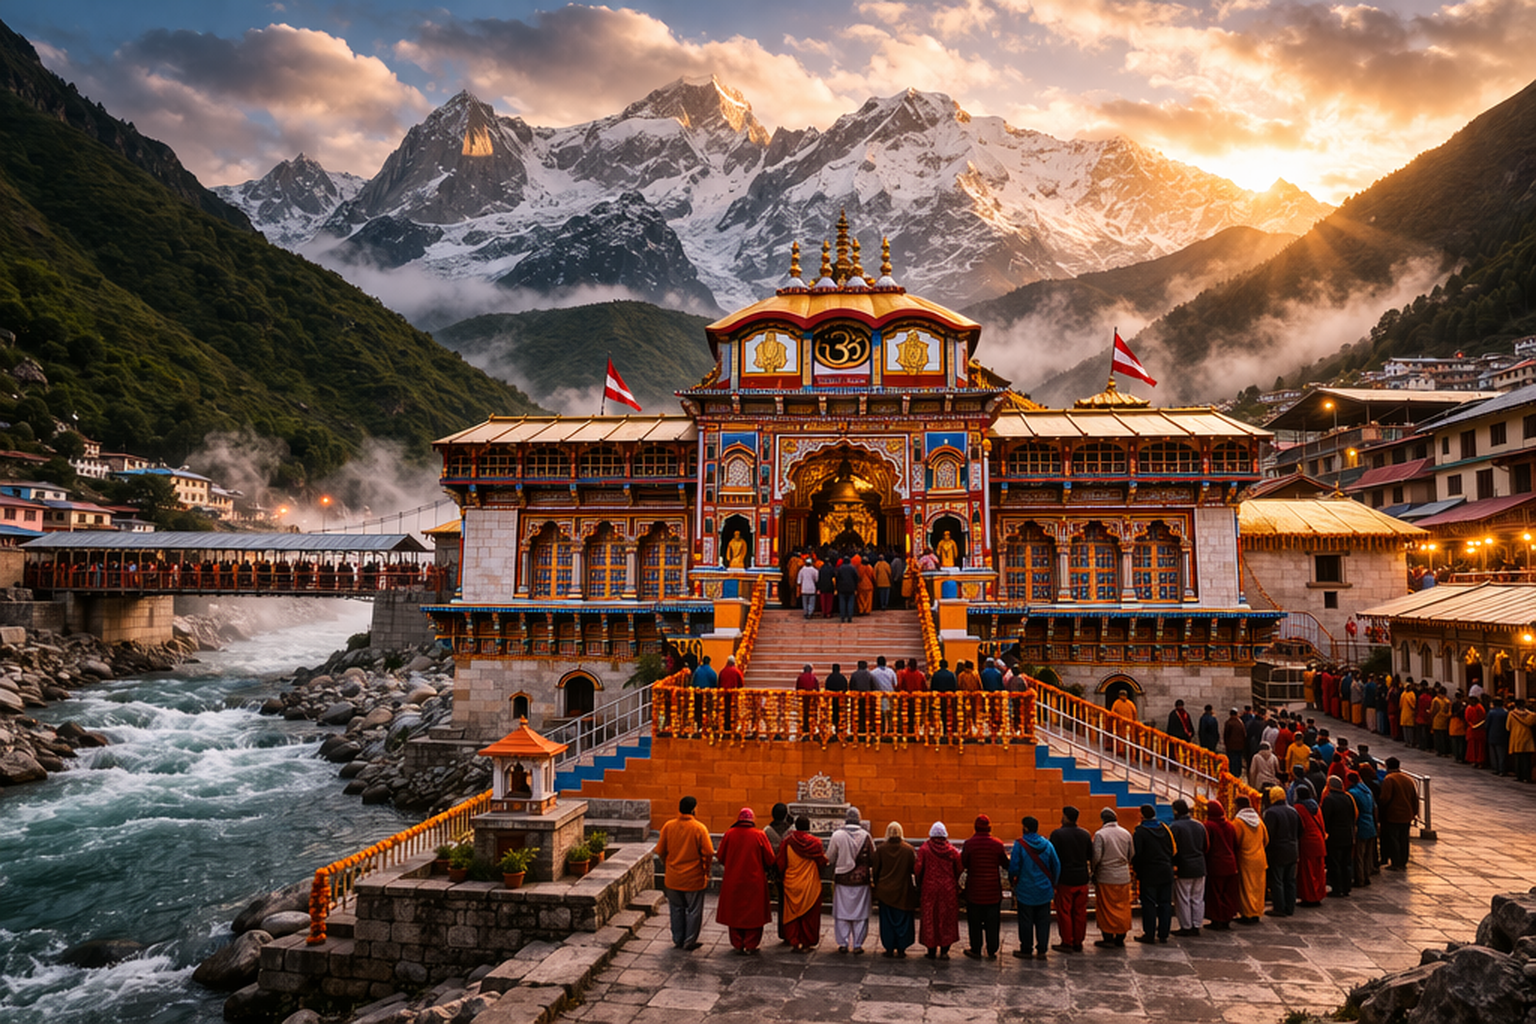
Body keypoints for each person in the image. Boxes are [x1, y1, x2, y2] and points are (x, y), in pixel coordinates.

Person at [655, 796, 714, 950]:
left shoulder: (669, 826)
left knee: (676, 908)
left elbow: (660, 850)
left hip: (673, 877)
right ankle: (689, 940)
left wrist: (667, 863)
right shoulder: (699, 828)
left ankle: (677, 938)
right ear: (694, 809)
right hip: (693, 878)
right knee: (694, 910)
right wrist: (706, 871)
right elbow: (708, 852)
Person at [715, 807, 776, 953]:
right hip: (755, 881)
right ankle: (750, 944)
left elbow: (720, 856)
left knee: (734, 912)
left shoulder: (730, 834)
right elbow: (770, 858)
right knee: (754, 913)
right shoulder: (759, 834)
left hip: (733, 880)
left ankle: (737, 943)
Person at [1008, 815, 1060, 959]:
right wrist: (1053, 883)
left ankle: (1026, 948)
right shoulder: (1047, 844)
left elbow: (1014, 867)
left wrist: (1012, 881)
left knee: (1026, 921)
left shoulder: (1019, 844)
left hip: (1025, 890)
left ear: (1025, 827)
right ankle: (1042, 949)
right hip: (1044, 890)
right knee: (1043, 921)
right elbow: (1056, 865)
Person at [826, 807, 875, 954]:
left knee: (842, 913)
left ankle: (843, 943)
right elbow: (873, 858)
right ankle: (858, 944)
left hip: (842, 880)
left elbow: (829, 857)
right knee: (860, 914)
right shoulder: (866, 836)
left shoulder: (837, 835)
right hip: (862, 882)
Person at [776, 815, 828, 952]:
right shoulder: (816, 843)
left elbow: (781, 863)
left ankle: (794, 940)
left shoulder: (787, 842)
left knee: (792, 912)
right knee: (809, 914)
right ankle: (806, 942)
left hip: (791, 882)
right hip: (810, 884)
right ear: (808, 827)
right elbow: (822, 861)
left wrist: (781, 877)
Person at [961, 814, 1009, 959]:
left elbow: (964, 863)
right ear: (989, 828)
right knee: (992, 923)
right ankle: (992, 949)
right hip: (993, 891)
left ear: (975, 827)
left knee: (974, 922)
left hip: (974, 891)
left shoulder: (969, 844)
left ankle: (976, 949)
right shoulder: (997, 844)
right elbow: (1005, 864)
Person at [1048, 807, 1093, 952]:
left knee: (1064, 911)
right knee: (1080, 912)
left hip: (1065, 879)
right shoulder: (1085, 834)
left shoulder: (1057, 834)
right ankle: (1078, 941)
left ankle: (1067, 941)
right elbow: (1089, 855)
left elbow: (1052, 857)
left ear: (1065, 817)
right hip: (1082, 878)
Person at [916, 821, 962, 959]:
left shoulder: (925, 849)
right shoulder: (952, 851)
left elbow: (918, 869)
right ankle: (944, 950)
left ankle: (931, 950)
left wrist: (920, 883)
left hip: (929, 888)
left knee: (930, 917)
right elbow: (959, 868)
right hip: (948, 889)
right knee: (947, 918)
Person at [872, 821, 918, 957]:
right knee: (903, 920)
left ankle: (889, 948)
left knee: (887, 922)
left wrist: (877, 885)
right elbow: (913, 870)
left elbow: (875, 871)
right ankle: (902, 947)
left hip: (885, 892)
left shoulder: (881, 849)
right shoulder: (908, 850)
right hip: (903, 891)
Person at [1130, 804, 1175, 944]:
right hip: (1166, 870)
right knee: (1165, 903)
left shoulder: (1140, 832)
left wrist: (1137, 870)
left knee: (1149, 903)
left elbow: (1137, 854)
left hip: (1149, 872)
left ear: (1142, 815)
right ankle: (1163, 933)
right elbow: (1172, 849)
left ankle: (1149, 933)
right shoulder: (1164, 828)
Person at [1091, 807, 1133, 947]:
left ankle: (1108, 937)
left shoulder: (1100, 834)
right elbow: (1131, 853)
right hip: (1123, 876)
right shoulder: (1126, 833)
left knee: (1105, 908)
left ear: (1103, 819)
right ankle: (1121, 935)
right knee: (1123, 906)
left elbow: (1096, 856)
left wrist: (1093, 871)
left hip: (1106, 876)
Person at [1167, 799, 1207, 937]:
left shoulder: (1175, 827)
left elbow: (1171, 849)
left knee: (1183, 897)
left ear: (1176, 811)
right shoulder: (1199, 825)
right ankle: (1196, 924)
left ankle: (1186, 925)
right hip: (1200, 866)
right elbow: (1205, 846)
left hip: (1184, 866)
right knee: (1197, 898)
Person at [1262, 786, 1300, 917]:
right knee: (1290, 880)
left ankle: (1279, 907)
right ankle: (1290, 907)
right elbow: (1301, 831)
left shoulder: (1271, 812)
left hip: (1278, 851)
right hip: (1293, 849)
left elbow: (1268, 834)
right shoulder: (1293, 811)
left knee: (1277, 880)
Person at [1202, 799, 1239, 930]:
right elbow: (1235, 844)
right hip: (1231, 863)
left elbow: (1206, 845)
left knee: (1215, 893)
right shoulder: (1230, 825)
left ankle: (1217, 919)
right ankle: (1227, 917)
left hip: (1215, 864)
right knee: (1228, 893)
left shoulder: (1209, 825)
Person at [1377, 757, 1418, 871]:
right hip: (1407, 814)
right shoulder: (1408, 779)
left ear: (1387, 766)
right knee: (1404, 839)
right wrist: (1414, 812)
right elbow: (1415, 797)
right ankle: (1403, 861)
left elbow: (1385, 798)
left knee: (1394, 839)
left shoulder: (1389, 779)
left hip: (1394, 815)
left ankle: (1395, 862)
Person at [1232, 796, 1268, 924]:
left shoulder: (1238, 822)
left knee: (1246, 888)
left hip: (1246, 859)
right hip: (1260, 858)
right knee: (1258, 887)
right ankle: (1256, 912)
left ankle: (1247, 913)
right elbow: (1266, 839)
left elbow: (1235, 840)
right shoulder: (1258, 819)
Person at [1320, 777, 1357, 898]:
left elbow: (1325, 819)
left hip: (1334, 837)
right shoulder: (1348, 798)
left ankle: (1337, 888)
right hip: (1347, 835)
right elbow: (1352, 816)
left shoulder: (1329, 800)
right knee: (1346, 862)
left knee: (1334, 862)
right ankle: (1346, 887)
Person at [1294, 783, 1328, 905]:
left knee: (1307, 873)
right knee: (1318, 872)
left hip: (1307, 843)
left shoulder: (1299, 807)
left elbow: (1299, 827)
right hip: (1319, 841)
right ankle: (1318, 895)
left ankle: (1309, 897)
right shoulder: (1316, 807)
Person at [1346, 771, 1376, 889]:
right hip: (1371, 824)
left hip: (1361, 825)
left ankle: (1360, 879)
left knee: (1359, 854)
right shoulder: (1367, 790)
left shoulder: (1352, 793)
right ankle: (1367, 875)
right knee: (1368, 854)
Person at [1509, 699, 1536, 783]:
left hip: (1516, 737)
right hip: (1527, 737)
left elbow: (1508, 727)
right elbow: (1532, 725)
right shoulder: (1532, 715)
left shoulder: (1512, 714)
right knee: (1527, 759)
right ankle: (1527, 776)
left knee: (1518, 758)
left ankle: (1519, 776)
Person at [718, 655, 743, 731]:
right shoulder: (736, 671)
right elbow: (741, 683)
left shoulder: (723, 671)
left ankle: (726, 726)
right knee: (733, 711)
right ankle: (734, 726)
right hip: (734, 694)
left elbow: (719, 682)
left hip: (724, 694)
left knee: (726, 711)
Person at [1488, 697, 1511, 776]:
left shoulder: (1491, 712)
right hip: (1503, 735)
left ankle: (1496, 768)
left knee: (1494, 754)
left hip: (1492, 735)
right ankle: (1502, 770)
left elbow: (1487, 724)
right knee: (1502, 754)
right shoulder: (1506, 712)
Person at [1465, 695, 1488, 768]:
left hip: (1479, 730)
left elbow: (1482, 718)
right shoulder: (1470, 708)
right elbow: (1467, 718)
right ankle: (1474, 760)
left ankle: (1480, 761)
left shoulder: (1479, 708)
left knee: (1479, 747)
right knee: (1472, 747)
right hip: (1473, 730)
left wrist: (1474, 725)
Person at [1224, 708, 1248, 776]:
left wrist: (1226, 744)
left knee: (1231, 760)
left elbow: (1226, 735)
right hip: (1240, 746)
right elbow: (1244, 734)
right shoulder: (1240, 722)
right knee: (1238, 759)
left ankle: (1232, 773)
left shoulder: (1229, 722)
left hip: (1231, 746)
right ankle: (1238, 773)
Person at [835, 556, 859, 623]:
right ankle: (849, 617)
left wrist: (837, 587)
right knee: (850, 603)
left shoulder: (840, 569)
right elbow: (856, 578)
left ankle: (842, 617)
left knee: (842, 603)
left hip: (842, 588)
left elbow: (837, 579)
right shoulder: (852, 568)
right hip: (851, 588)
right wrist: (855, 586)